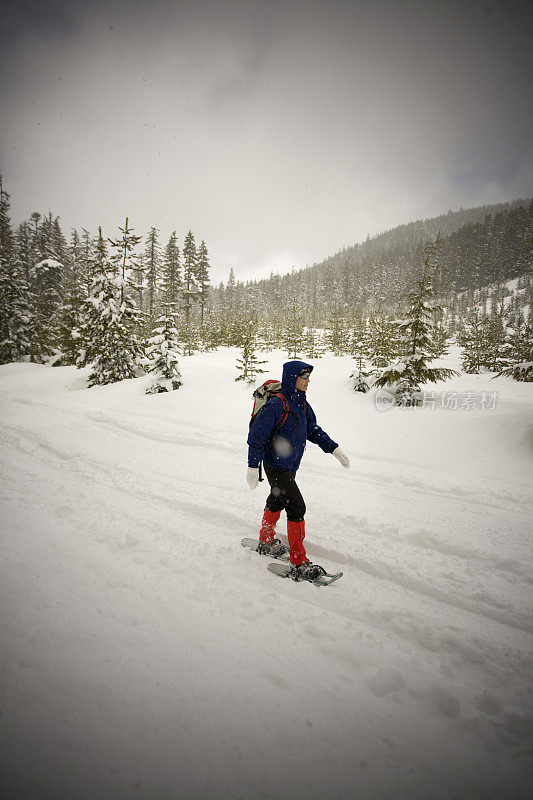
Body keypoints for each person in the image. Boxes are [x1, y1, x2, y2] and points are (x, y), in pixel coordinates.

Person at [246, 359, 350, 580]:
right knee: (297, 507)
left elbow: (312, 429)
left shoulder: (302, 403)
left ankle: (265, 539)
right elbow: (256, 437)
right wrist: (252, 467)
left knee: (277, 499)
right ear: (293, 378)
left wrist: (333, 448)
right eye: (303, 377)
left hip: (290, 465)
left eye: (308, 377)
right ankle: (299, 562)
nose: (307, 381)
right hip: (275, 465)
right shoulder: (277, 404)